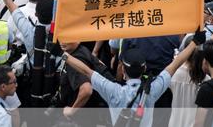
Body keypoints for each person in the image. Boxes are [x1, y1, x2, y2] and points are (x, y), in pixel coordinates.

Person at [64, 32, 203, 127]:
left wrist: (63, 55)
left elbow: (86, 71)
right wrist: (194, 43)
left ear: (123, 69)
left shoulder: (113, 90)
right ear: (144, 69)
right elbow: (175, 63)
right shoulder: (153, 90)